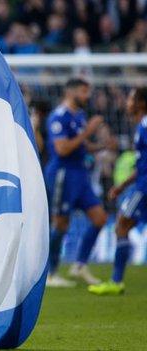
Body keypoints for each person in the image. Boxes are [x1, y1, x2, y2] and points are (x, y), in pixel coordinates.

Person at [44, 77, 108, 287]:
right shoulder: (58, 117)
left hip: (80, 175)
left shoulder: (79, 116)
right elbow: (62, 149)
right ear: (70, 92)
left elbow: (80, 145)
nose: (87, 96)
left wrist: (101, 146)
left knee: (99, 218)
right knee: (61, 223)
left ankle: (79, 264)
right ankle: (51, 273)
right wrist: (88, 132)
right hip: (63, 175)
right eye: (83, 91)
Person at [89, 87, 147, 295]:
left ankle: (116, 281)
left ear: (140, 103)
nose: (127, 102)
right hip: (140, 183)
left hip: (144, 187)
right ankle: (116, 281)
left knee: (121, 225)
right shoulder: (140, 126)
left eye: (131, 98)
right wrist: (123, 185)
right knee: (122, 225)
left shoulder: (145, 124)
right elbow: (142, 164)